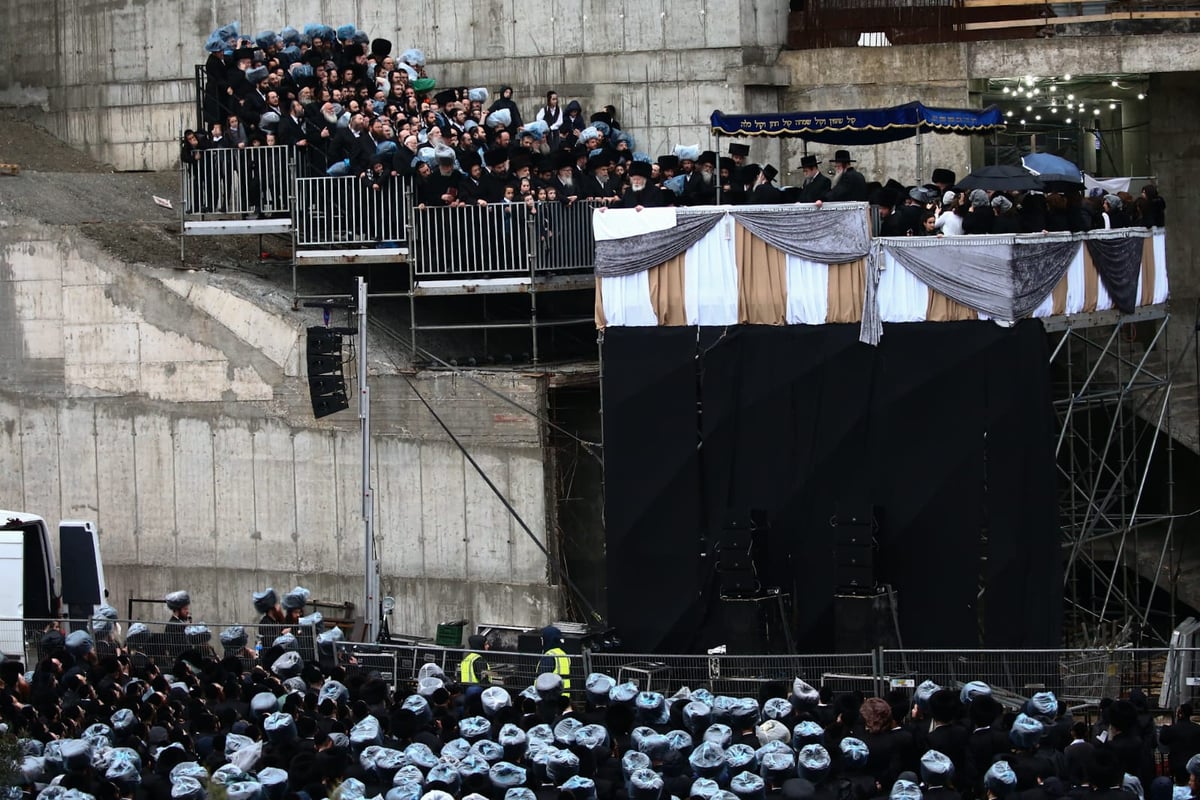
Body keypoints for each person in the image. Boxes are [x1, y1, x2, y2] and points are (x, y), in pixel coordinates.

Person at [538, 625, 571, 693]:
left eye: (542, 639)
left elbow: (542, 680)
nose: (541, 641)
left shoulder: (549, 656)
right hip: (563, 697)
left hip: (550, 698)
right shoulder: (564, 654)